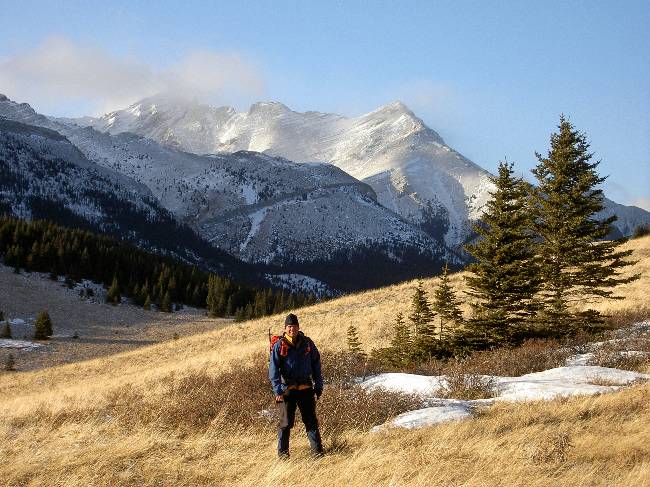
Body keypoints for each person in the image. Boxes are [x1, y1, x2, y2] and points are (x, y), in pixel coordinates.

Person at [269, 313, 324, 458]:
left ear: (298, 327)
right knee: (284, 423)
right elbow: (273, 370)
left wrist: (318, 385)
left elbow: (316, 364)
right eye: (289, 326)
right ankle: (283, 456)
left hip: (306, 389)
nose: (291, 329)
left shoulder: (308, 343)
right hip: (285, 391)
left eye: (294, 326)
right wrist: (277, 391)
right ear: (285, 328)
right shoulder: (279, 346)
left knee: (311, 422)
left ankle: (318, 454)